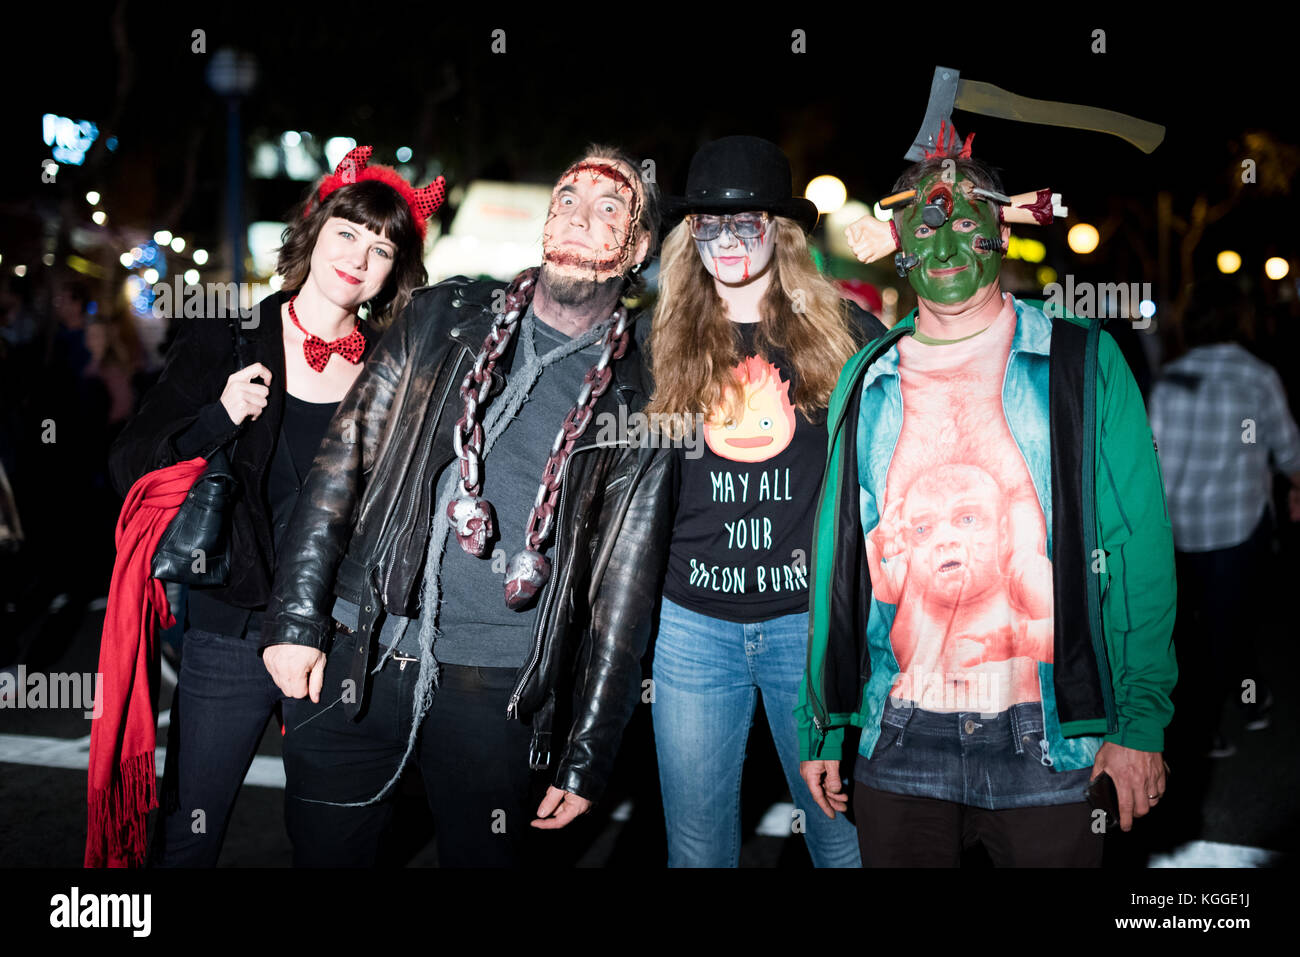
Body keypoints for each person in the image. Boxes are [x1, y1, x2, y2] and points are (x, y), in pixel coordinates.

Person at [259, 144, 673, 867]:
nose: (579, 217)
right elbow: (340, 465)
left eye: (609, 207)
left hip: (501, 693)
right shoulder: (444, 315)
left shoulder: (647, 394)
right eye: (567, 199)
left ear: (637, 246)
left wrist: (588, 747)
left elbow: (624, 591)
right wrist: (296, 619)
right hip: (360, 655)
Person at [797, 138, 1177, 867]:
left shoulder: (1081, 360)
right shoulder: (866, 376)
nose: (944, 245)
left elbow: (1137, 547)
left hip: (1050, 737)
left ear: (1003, 232)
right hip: (901, 733)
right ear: (895, 241)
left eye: (968, 223)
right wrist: (822, 723)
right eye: (925, 225)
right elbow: (838, 555)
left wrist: (1140, 722)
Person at [106, 145, 439, 865]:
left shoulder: (394, 369)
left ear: (393, 272)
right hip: (229, 631)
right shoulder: (226, 336)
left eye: (381, 248)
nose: (358, 256)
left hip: (341, 635)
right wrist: (218, 418)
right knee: (188, 840)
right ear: (314, 232)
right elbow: (129, 462)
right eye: (348, 232)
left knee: (336, 845)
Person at [642, 135, 876, 867]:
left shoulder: (845, 335)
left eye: (747, 221)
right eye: (708, 222)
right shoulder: (654, 339)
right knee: (698, 850)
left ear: (779, 231)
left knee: (844, 842)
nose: (727, 238)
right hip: (690, 631)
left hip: (806, 631)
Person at [1148, 278, 1300, 759]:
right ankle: (1213, 718)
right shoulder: (1257, 376)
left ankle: (1235, 705)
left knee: (1192, 628)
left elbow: (1151, 458)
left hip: (1176, 528)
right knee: (1229, 622)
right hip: (1238, 527)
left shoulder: (1169, 380)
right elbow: (1289, 449)